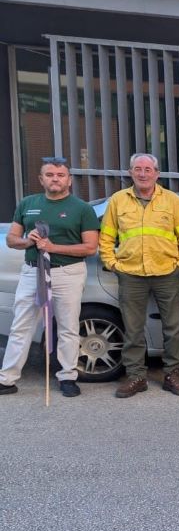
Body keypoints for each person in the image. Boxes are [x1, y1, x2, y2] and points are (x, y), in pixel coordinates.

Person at [0, 157, 99, 398]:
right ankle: (7, 378)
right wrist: (28, 241)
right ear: (41, 179)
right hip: (33, 271)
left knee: (68, 327)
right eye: (50, 174)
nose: (55, 179)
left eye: (60, 175)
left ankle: (67, 377)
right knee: (21, 325)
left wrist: (53, 248)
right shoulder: (28, 203)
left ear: (69, 180)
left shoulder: (82, 208)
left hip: (67, 272)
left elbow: (90, 247)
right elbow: (11, 239)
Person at [99, 153, 179, 398]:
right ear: (131, 172)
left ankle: (173, 375)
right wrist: (112, 263)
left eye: (148, 169)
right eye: (138, 169)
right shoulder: (118, 200)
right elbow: (106, 237)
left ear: (157, 173)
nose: (142, 174)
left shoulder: (172, 200)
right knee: (133, 330)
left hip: (167, 273)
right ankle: (136, 377)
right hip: (130, 274)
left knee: (172, 329)